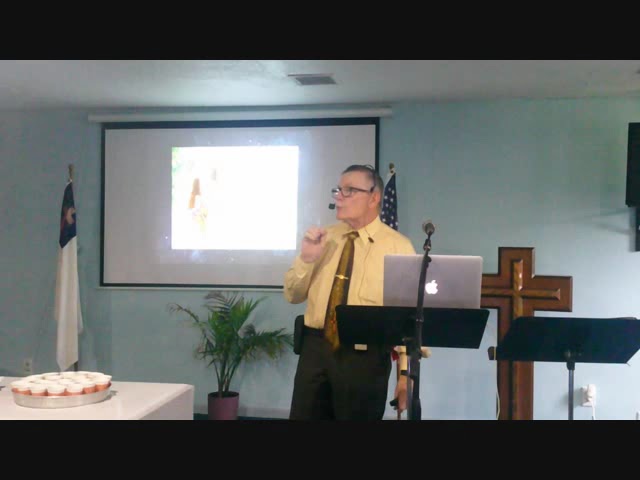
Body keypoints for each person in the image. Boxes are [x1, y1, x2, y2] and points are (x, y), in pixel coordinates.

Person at [284, 164, 416, 420]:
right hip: (315, 350)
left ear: (374, 198)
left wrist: (404, 374)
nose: (339, 197)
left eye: (349, 190)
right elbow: (293, 295)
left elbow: (407, 318)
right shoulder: (324, 238)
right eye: (338, 190)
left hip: (365, 356)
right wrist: (306, 259)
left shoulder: (398, 247)